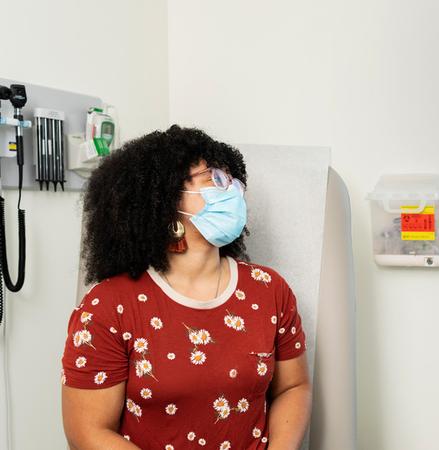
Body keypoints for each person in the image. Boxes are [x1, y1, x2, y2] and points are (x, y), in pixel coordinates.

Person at [61, 125, 311, 450]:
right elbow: (88, 432)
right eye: (214, 179)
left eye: (232, 180)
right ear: (163, 201)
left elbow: (294, 387)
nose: (232, 190)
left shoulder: (269, 290)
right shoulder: (108, 307)